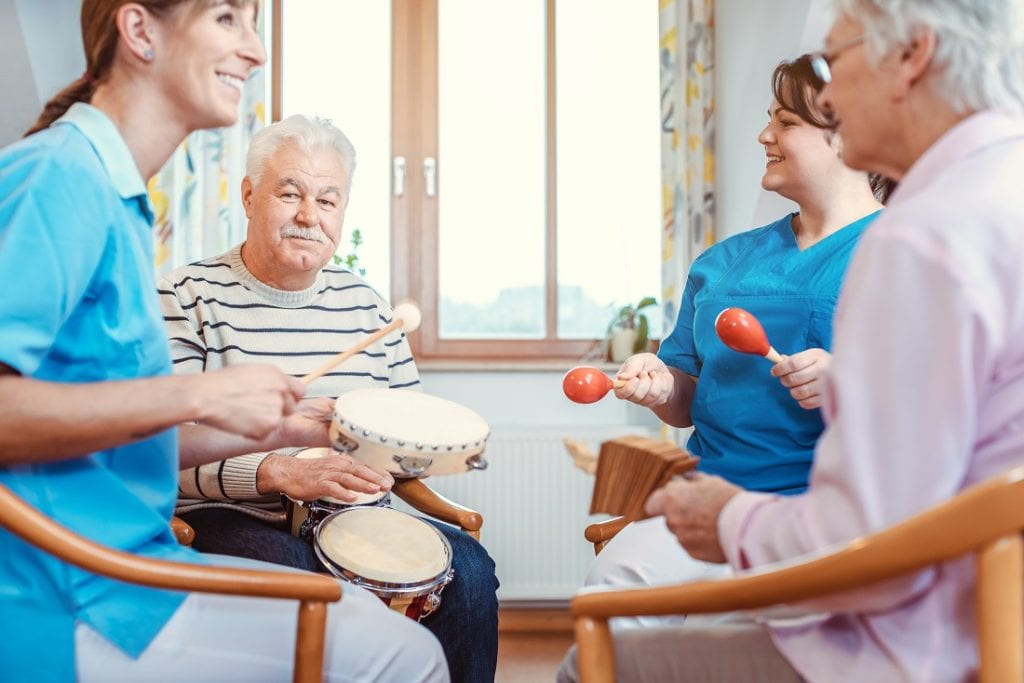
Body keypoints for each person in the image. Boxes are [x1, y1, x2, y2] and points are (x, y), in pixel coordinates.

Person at [566, 0, 1024, 680]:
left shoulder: (920, 236)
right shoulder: (996, 191)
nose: (831, 94)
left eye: (835, 61)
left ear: (912, 55)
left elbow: (868, 550)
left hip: (914, 642)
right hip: (969, 613)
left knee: (592, 659)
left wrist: (729, 520)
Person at [0, 3, 447, 682]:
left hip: (129, 574)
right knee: (400, 654)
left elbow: (110, 433)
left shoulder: (115, 193)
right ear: (140, 31)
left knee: (392, 635)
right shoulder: (61, 176)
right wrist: (196, 391)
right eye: (226, 19)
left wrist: (281, 426)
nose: (257, 50)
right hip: (71, 599)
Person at [158, 113, 500, 683]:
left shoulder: (366, 307)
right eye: (289, 193)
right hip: (233, 514)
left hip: (357, 515)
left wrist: (421, 456)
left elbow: (405, 434)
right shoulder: (185, 296)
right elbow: (157, 450)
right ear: (248, 195)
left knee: (468, 571)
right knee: (307, 583)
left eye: (328, 200)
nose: (308, 216)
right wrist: (274, 471)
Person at [581, 55, 889, 605]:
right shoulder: (722, 263)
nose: (764, 135)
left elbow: (938, 402)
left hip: (824, 513)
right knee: (610, 594)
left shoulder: (899, 252)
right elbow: (685, 398)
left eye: (787, 123)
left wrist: (851, 381)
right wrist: (661, 385)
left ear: (847, 135)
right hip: (707, 498)